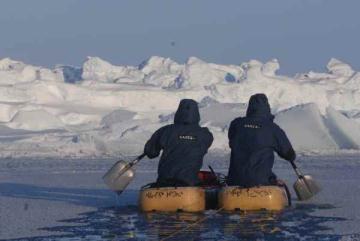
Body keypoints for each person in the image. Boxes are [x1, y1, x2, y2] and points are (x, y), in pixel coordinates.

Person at [227, 93, 296, 187]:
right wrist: (290, 157)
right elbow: (289, 153)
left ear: (250, 108)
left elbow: (231, 142)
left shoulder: (236, 124)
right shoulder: (272, 128)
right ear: (267, 108)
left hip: (234, 181)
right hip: (261, 181)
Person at [144, 99, 213, 187]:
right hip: (189, 182)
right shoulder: (205, 134)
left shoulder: (165, 131)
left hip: (164, 181)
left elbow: (151, 153)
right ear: (197, 113)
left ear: (179, 112)